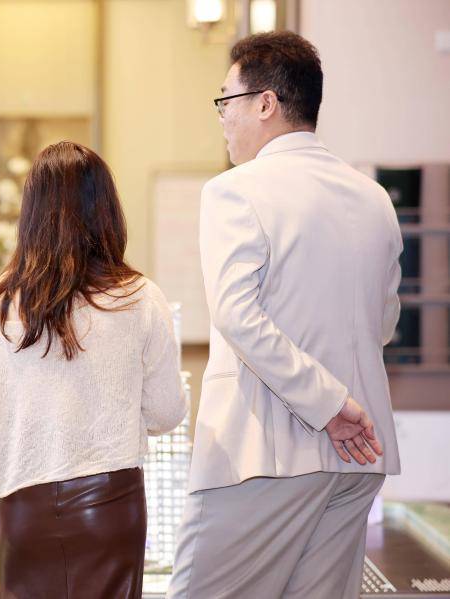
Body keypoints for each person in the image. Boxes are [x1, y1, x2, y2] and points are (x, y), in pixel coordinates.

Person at [167, 31, 402, 599]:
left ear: (265, 103)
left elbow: (237, 316)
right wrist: (341, 404)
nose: (223, 118)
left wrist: (328, 405)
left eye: (226, 101)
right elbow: (384, 322)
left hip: (264, 451)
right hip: (360, 455)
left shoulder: (235, 190)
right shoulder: (373, 197)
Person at [0, 141, 187, 599]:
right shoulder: (139, 297)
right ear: (107, 210)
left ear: (31, 213)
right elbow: (166, 411)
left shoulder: (2, 301)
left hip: (21, 505)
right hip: (110, 503)